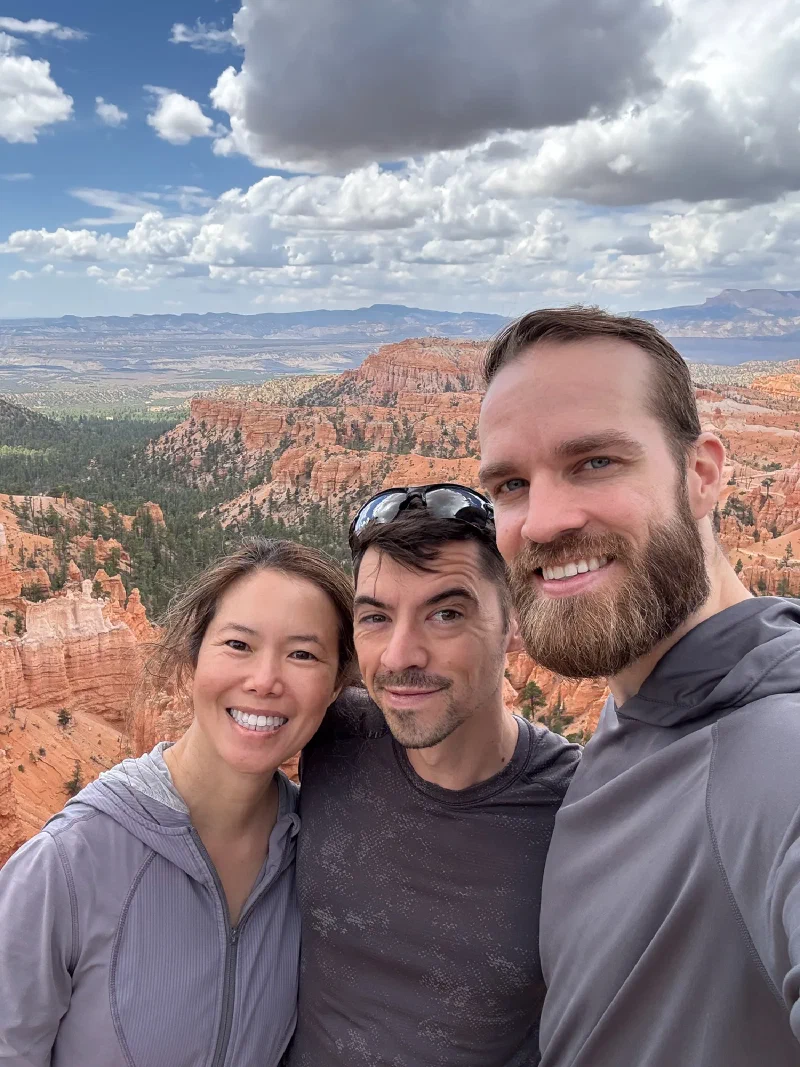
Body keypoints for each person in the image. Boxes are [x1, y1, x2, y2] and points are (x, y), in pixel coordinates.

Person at [478, 306, 800, 1066]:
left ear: (703, 474)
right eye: (513, 483)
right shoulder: (643, 709)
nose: (546, 521)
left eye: (596, 461)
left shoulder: (775, 755)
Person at [0, 538, 354, 1067]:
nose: (264, 680)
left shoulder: (320, 855)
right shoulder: (68, 864)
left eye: (303, 654)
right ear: (191, 660)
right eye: (238, 644)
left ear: (336, 687)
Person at [286, 483, 581, 1067]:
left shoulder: (578, 806)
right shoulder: (332, 731)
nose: (399, 656)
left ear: (514, 621)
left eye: (446, 614)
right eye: (375, 617)